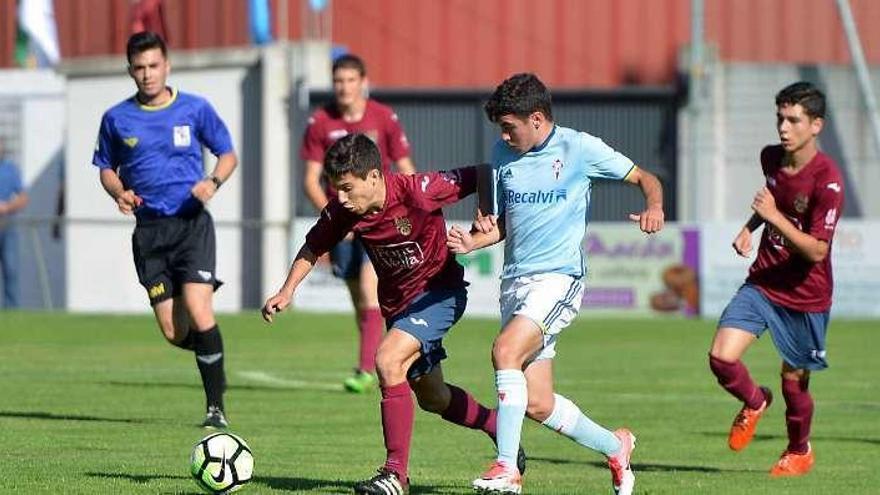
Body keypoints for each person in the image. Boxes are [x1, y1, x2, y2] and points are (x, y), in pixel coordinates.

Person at [263, 134, 524, 495]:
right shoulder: (345, 211)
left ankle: (394, 475)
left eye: (347, 188)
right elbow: (313, 245)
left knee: (386, 360)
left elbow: (481, 172)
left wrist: (485, 210)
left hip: (439, 294)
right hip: (399, 308)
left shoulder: (418, 190)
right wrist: (287, 290)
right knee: (434, 398)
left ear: (374, 177)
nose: (340, 197)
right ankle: (499, 428)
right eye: (336, 189)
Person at [447, 73, 665, 495]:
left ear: (537, 118)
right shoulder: (501, 155)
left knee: (504, 351)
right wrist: (474, 241)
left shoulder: (579, 148)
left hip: (559, 278)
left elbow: (645, 178)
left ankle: (507, 468)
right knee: (539, 403)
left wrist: (654, 206)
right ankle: (616, 447)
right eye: (501, 130)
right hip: (515, 283)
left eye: (509, 127)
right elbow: (505, 225)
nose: (504, 136)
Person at [92, 31, 238, 428]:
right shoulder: (117, 118)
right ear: (130, 71)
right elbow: (105, 166)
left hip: (192, 225)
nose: (147, 74)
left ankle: (215, 408)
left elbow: (227, 154)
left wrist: (213, 182)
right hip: (150, 233)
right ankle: (213, 356)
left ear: (167, 66)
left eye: (154, 65)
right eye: (139, 67)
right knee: (174, 331)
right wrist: (118, 191)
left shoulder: (194, 109)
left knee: (198, 308)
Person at [708, 82, 844, 477]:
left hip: (806, 295)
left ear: (816, 125)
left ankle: (799, 451)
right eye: (780, 118)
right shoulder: (771, 157)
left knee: (794, 383)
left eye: (793, 120)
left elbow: (818, 250)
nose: (783, 128)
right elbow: (773, 199)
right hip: (765, 282)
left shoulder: (828, 180)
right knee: (721, 356)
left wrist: (770, 218)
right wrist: (751, 227)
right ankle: (753, 401)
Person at [300, 53, 416, 393]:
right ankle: (376, 357)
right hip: (344, 227)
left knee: (370, 290)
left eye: (351, 80)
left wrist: (412, 207)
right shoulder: (320, 122)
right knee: (358, 298)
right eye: (338, 81)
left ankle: (367, 368)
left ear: (363, 82)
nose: (344, 87)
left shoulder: (384, 117)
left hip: (379, 218)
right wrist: (337, 219)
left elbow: (405, 166)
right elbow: (310, 180)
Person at [0, 139, 29, 308]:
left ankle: (11, 313)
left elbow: (23, 197)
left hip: (7, 226)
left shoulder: (11, 170)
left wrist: (6, 207)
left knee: (11, 271)